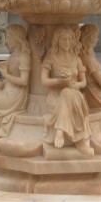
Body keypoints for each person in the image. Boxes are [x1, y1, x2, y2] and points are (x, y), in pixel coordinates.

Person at [41, 26, 93, 156]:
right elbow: (44, 81)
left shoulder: (76, 59)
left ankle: (60, 130)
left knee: (68, 92)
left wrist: (73, 85)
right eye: (64, 39)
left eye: (70, 39)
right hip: (56, 94)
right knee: (66, 92)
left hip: (74, 93)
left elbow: (83, 82)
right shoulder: (51, 58)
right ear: (57, 41)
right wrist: (61, 82)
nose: (67, 42)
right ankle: (80, 138)